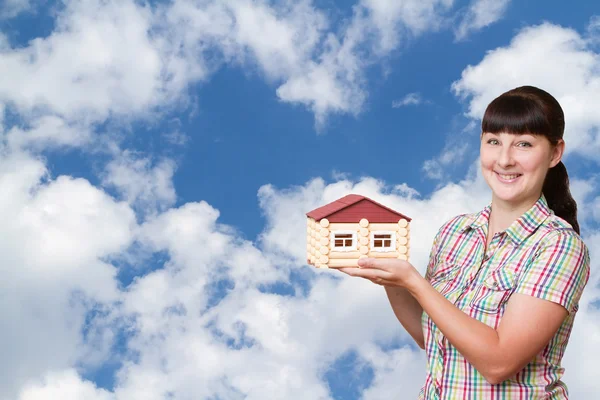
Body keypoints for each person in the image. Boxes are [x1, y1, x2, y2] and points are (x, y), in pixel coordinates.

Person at [339, 86, 590, 399]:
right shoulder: (454, 232)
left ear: (554, 153)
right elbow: (431, 335)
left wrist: (414, 282)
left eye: (524, 144)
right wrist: (389, 277)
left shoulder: (558, 246)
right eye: (493, 142)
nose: (504, 159)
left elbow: (499, 362)